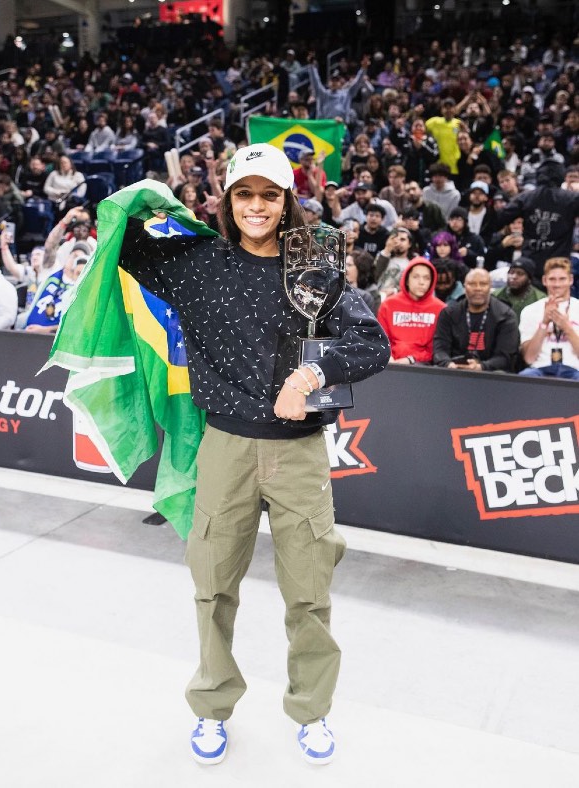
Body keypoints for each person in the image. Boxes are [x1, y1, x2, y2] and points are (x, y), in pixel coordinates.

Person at [116, 143, 390, 765]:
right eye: (245, 194)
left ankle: (311, 711)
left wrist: (310, 375)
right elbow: (120, 242)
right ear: (228, 201)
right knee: (213, 588)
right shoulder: (196, 263)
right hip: (226, 448)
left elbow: (372, 343)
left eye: (270, 195)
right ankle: (212, 707)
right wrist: (153, 199)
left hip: (299, 455)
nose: (257, 206)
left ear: (287, 201)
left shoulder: (314, 271)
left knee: (310, 594)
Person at [496, 160, 579, 283]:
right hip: (558, 263)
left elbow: (500, 217)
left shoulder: (526, 197)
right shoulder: (571, 198)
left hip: (531, 262)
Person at [433, 268, 519, 372]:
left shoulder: (506, 315)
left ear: (490, 286)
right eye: (472, 284)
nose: (478, 288)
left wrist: (481, 367)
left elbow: (505, 357)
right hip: (453, 371)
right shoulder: (448, 313)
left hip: (491, 374)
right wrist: (448, 364)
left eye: (483, 284)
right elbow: (440, 349)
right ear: (464, 287)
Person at [518, 256, 579, 380]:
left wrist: (567, 328)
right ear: (544, 280)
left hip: (574, 369)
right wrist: (544, 323)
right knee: (524, 377)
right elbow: (529, 358)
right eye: (552, 279)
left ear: (571, 280)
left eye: (562, 279)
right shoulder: (529, 310)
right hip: (540, 369)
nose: (557, 284)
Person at [377, 257, 445, 365]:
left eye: (426, 278)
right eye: (416, 277)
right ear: (407, 279)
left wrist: (411, 359)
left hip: (425, 366)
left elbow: (437, 349)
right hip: (390, 363)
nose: (421, 282)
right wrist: (388, 358)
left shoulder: (441, 309)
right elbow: (381, 340)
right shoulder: (388, 305)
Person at [494, 256, 546, 324]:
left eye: (520, 274)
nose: (514, 277)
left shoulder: (540, 298)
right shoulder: (495, 295)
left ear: (529, 279)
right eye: (511, 272)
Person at [345, 248, 379, 312]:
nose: (344, 268)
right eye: (344, 264)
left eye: (349, 265)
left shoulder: (372, 293)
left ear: (361, 269)